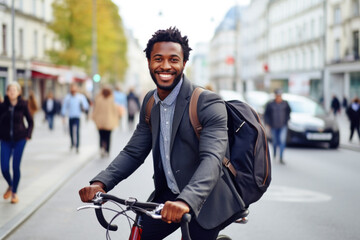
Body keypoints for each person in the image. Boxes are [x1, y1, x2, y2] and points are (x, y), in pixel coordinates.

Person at [79, 27, 244, 240]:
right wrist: (101, 183)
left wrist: (187, 200)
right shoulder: (150, 102)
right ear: (149, 62)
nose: (165, 66)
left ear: (184, 64)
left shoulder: (207, 103)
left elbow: (211, 160)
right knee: (140, 235)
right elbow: (133, 152)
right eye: (158, 58)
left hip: (207, 199)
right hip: (168, 196)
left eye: (174, 60)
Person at [0, 82, 34, 204]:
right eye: (10, 90)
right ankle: (10, 184)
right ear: (7, 92)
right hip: (5, 140)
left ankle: (14, 193)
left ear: (18, 92)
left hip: (20, 139)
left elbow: (30, 121)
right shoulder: (3, 106)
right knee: (4, 167)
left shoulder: (23, 105)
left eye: (14, 90)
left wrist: (28, 135)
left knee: (15, 166)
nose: (12, 92)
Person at [264, 89, 291, 164]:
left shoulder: (285, 103)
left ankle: (281, 157)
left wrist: (287, 120)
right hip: (273, 126)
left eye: (280, 96)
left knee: (282, 141)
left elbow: (289, 112)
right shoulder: (270, 104)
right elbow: (266, 115)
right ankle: (275, 153)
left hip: (283, 126)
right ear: (275, 96)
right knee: (275, 141)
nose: (279, 97)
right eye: (278, 95)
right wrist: (268, 123)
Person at [92, 86, 119, 157]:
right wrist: (116, 120)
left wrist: (94, 118)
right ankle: (107, 150)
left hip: (100, 121)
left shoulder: (99, 99)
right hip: (109, 122)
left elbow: (96, 110)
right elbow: (114, 111)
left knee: (101, 136)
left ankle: (101, 148)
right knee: (108, 137)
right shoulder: (111, 100)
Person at [61, 83, 89, 153]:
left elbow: (86, 106)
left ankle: (77, 146)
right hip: (71, 116)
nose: (73, 91)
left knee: (77, 131)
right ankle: (72, 143)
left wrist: (83, 107)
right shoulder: (67, 97)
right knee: (70, 131)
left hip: (77, 116)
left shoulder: (80, 97)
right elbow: (64, 107)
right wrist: (63, 116)